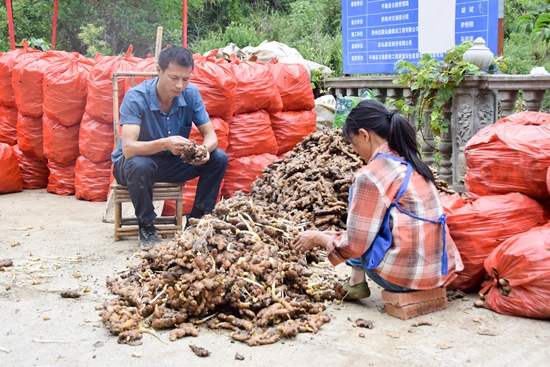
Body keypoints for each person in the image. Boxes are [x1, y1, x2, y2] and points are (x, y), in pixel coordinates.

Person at [293, 99, 463, 298]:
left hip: (404, 280)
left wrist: (317, 238)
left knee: (357, 199)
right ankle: (356, 281)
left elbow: (355, 246)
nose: (354, 151)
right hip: (438, 274)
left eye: (353, 143)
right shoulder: (412, 162)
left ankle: (356, 281)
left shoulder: (370, 176)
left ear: (364, 135)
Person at [111, 46, 228, 250]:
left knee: (218, 157)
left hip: (170, 164)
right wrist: (165, 143)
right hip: (132, 166)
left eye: (186, 79)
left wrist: (203, 151)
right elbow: (129, 149)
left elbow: (211, 137)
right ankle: (146, 225)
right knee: (141, 164)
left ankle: (196, 221)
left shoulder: (191, 94)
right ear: (159, 70)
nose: (180, 85)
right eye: (174, 78)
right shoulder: (136, 97)